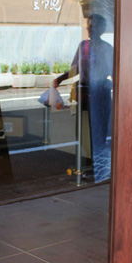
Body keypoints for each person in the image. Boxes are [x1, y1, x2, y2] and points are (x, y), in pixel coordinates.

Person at [53, 14, 113, 181]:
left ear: (102, 29)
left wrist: (111, 84)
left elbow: (115, 72)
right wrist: (60, 79)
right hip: (84, 94)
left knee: (98, 134)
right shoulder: (83, 46)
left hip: (101, 94)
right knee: (83, 132)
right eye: (88, 27)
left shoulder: (107, 48)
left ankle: (97, 169)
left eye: (93, 27)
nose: (89, 30)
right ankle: (89, 164)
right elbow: (76, 69)